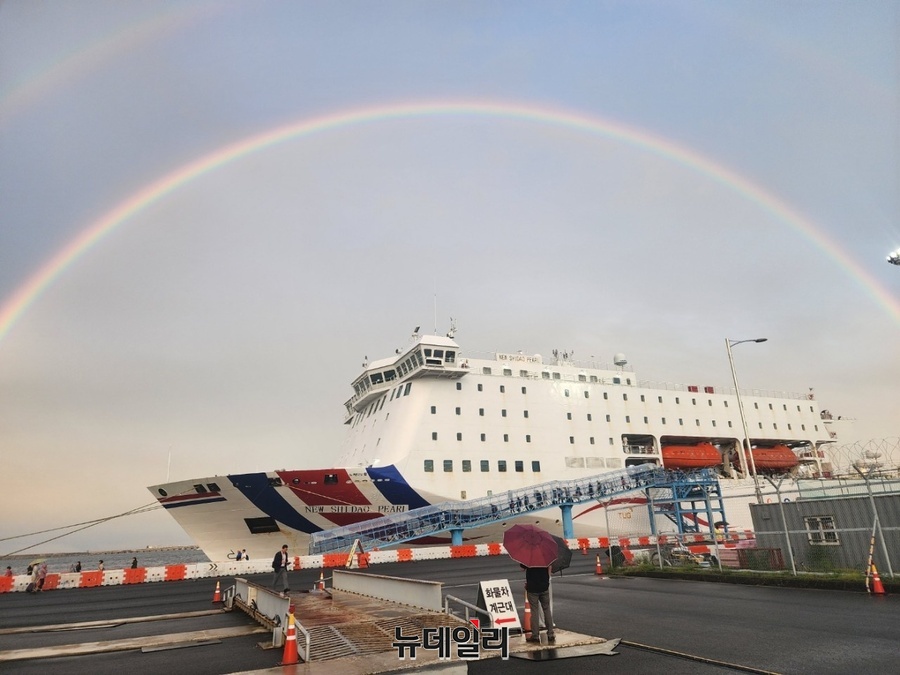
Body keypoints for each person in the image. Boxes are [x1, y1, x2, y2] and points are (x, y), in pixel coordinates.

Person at [523, 564, 555, 645]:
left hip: (532, 588)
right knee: (547, 609)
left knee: (534, 611)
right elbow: (549, 567)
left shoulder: (529, 557)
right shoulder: (544, 556)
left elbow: (522, 567)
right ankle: (550, 633)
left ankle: (535, 636)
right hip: (544, 586)